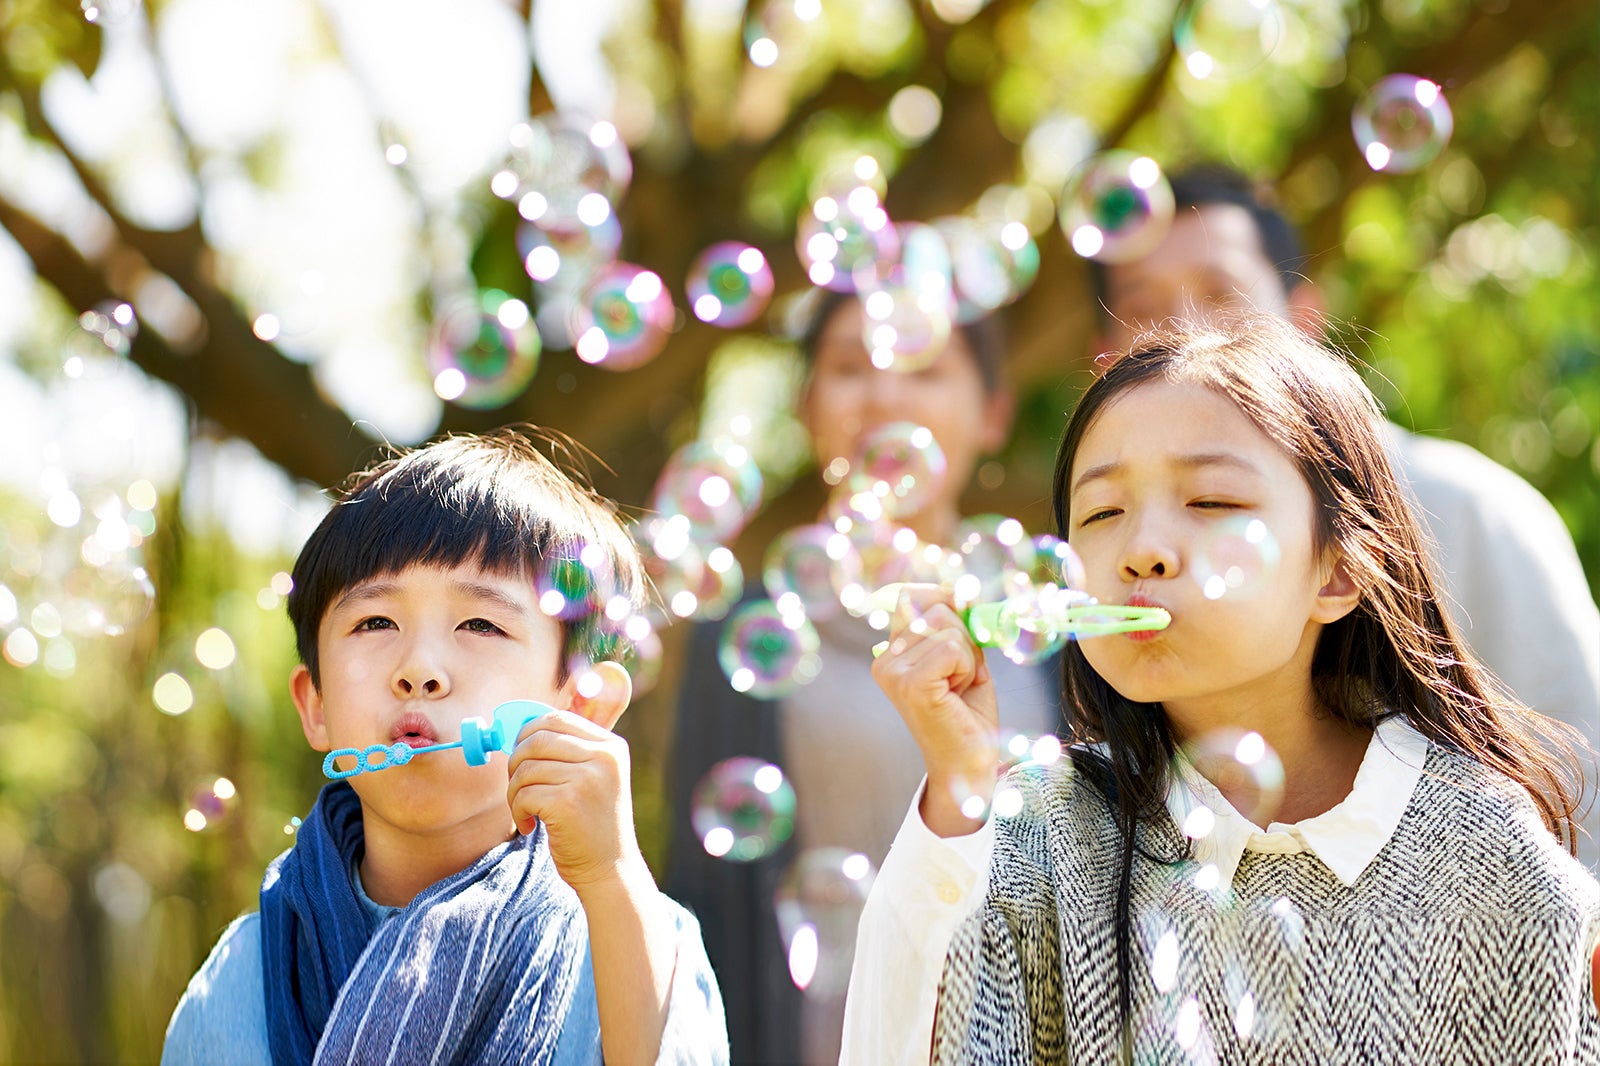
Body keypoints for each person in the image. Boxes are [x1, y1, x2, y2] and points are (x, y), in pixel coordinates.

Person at [843, 313, 1599, 1063]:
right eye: (1103, 512)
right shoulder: (1043, 833)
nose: (1142, 552)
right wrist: (961, 786)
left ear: (1336, 571)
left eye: (1210, 502)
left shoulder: (1487, 853)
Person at [162, 429, 728, 1065]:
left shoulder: (637, 936)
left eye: (480, 624)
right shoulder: (243, 980)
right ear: (315, 705)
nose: (420, 668)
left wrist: (610, 874)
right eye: (375, 622)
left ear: (582, 707)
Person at [1091, 165, 1600, 865]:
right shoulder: (1105, 546)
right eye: (1144, 308)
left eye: (1222, 293)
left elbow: (1581, 780)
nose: (1188, 329)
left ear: (1305, 319)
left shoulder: (1475, 510)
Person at [664, 290, 1063, 1064]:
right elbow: (704, 894)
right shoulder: (740, 631)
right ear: (808, 405)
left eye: (923, 368)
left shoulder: (1051, 631)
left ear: (993, 412)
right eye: (851, 366)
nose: (885, 393)